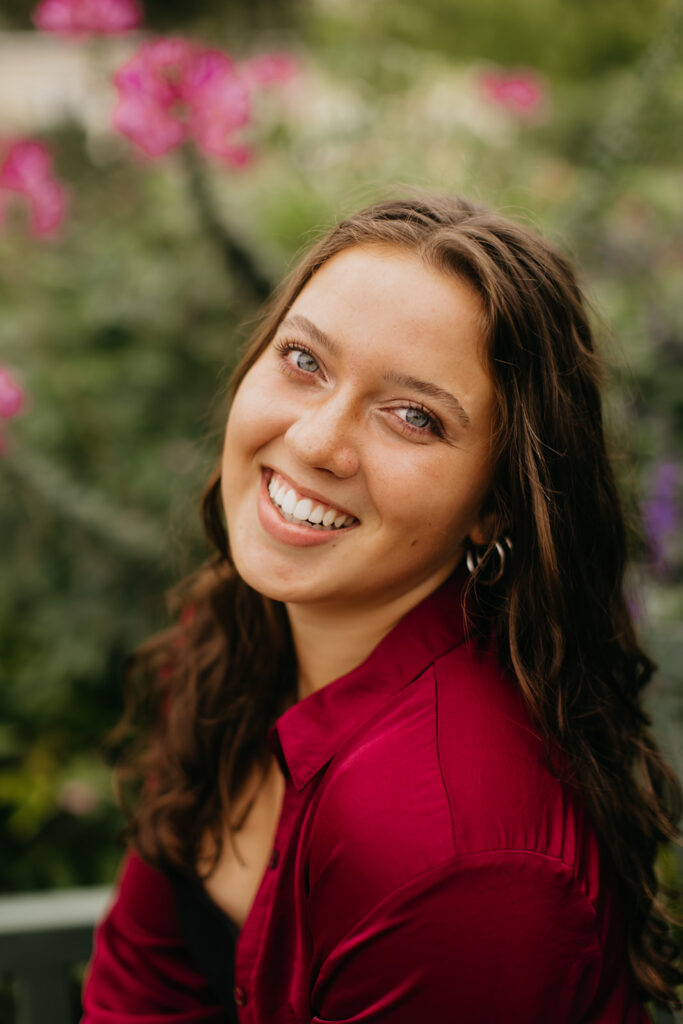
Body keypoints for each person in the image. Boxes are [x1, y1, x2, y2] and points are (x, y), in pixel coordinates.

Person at [81, 192, 682, 1023]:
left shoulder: (463, 859)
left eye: (413, 416)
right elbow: (139, 985)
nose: (318, 441)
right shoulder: (235, 623)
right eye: (304, 360)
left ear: (495, 504)